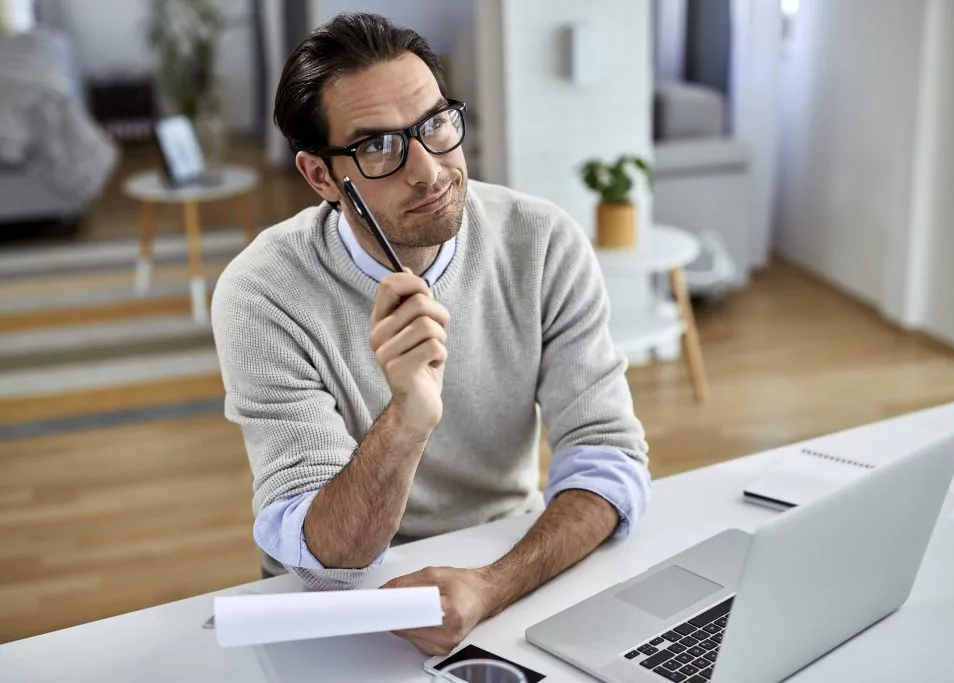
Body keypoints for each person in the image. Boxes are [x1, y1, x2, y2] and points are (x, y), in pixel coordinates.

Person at [211, 11, 651, 656]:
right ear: (321, 177)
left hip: (506, 564)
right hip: (337, 607)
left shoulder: (542, 240)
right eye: (379, 147)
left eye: (435, 125)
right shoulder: (262, 293)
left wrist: (490, 586)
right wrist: (408, 419)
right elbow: (327, 560)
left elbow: (609, 459)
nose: (427, 169)